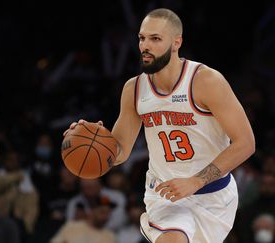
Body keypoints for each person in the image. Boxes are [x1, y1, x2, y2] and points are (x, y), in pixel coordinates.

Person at [65, 8, 255, 243]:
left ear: (177, 42)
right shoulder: (134, 89)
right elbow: (120, 151)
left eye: (155, 39)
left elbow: (246, 143)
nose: (146, 45)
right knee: (172, 239)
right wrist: (92, 141)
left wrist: (195, 181)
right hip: (164, 195)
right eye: (142, 38)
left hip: (213, 196)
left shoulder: (205, 81)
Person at [50, 195, 116, 243]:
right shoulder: (72, 226)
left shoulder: (110, 236)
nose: (106, 217)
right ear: (92, 211)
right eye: (102, 212)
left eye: (108, 213)